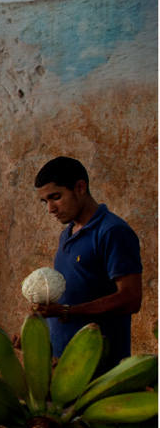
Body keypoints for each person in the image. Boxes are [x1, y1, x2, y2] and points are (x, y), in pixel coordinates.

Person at [32, 157, 142, 368]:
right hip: (63, 362)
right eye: (45, 201)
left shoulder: (112, 231)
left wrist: (67, 311)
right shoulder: (67, 235)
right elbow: (69, 295)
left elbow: (131, 298)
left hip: (99, 363)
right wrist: (38, 327)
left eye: (56, 197)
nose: (50, 209)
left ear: (80, 187)